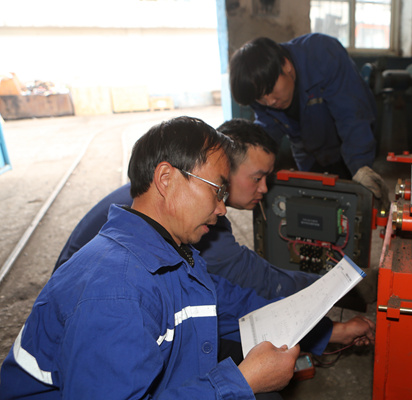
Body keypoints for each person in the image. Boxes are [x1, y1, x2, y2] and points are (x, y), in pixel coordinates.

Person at [0, 116, 375, 399]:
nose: (223, 209)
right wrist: (241, 382)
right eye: (217, 190)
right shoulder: (114, 294)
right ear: (166, 179)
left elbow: (236, 306)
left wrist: (329, 332)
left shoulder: (173, 254)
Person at [53, 118, 319, 300]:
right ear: (226, 169)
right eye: (257, 178)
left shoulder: (167, 193)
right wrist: (322, 288)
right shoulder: (186, 216)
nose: (264, 189)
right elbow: (254, 279)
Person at [228, 33, 390, 210]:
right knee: (315, 209)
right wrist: (238, 168)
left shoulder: (322, 54)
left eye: (270, 90)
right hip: (309, 152)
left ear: (286, 65)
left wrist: (361, 167)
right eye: (260, 98)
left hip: (350, 144)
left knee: (355, 206)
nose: (270, 102)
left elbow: (352, 117)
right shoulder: (261, 94)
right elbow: (266, 134)